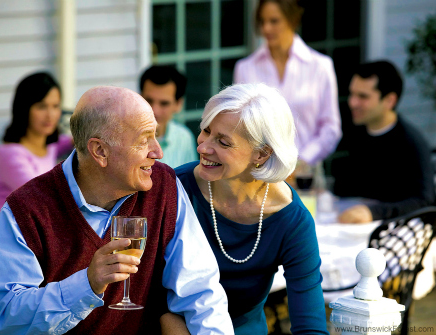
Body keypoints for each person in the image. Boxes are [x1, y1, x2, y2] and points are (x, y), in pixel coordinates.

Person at [0, 86, 233, 334]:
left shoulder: (164, 187)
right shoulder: (26, 209)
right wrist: (86, 284)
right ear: (100, 151)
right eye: (143, 140)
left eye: (156, 136)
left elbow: (200, 292)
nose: (157, 152)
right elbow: (3, 318)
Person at [175, 83, 329, 334]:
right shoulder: (174, 189)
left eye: (223, 142)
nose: (203, 147)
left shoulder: (292, 221)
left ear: (261, 154)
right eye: (205, 131)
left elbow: (310, 324)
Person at [233, 0, 341, 168]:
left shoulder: (320, 66)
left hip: (306, 173)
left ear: (292, 20)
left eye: (274, 21)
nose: (266, 28)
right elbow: (240, 125)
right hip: (260, 172)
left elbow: (331, 128)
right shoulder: (245, 68)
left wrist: (303, 160)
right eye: (262, 21)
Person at [332, 60, 435, 223]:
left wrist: (374, 212)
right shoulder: (354, 133)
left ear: (389, 101)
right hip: (350, 226)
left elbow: (424, 201)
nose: (352, 103)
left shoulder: (412, 143)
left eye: (363, 97)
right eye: (352, 94)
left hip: (394, 235)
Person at [0, 72, 73, 234]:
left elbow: (69, 142)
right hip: (2, 236)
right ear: (24, 108)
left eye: (55, 106)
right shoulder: (10, 154)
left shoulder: (49, 145)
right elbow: (39, 196)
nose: (50, 115)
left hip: (31, 233)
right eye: (42, 106)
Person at [139, 65, 198, 168]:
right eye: (149, 100)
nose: (154, 111)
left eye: (164, 103)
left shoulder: (184, 138)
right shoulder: (124, 137)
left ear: (178, 104)